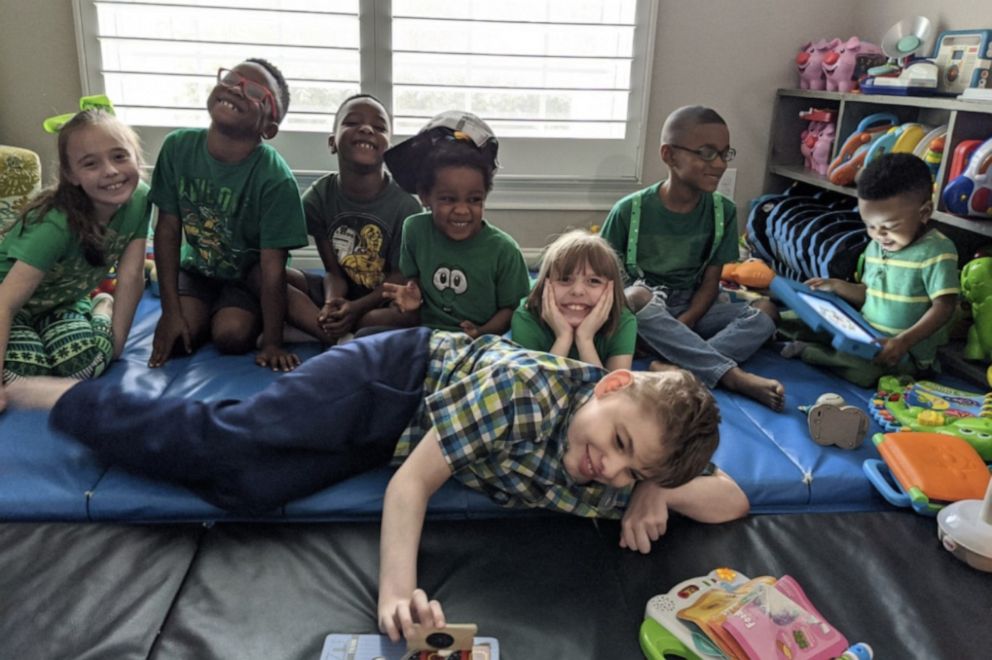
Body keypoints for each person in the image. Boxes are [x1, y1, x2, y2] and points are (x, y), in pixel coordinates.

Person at [6, 327, 748, 641]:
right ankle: (56, 396)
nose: (607, 469)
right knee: (231, 453)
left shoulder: (623, 463)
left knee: (255, 490)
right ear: (610, 384)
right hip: (388, 382)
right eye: (616, 444)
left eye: (631, 468)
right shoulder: (525, 392)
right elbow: (413, 486)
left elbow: (731, 499)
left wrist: (657, 488)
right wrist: (395, 593)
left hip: (396, 434)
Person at [600, 105, 784, 410]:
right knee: (636, 295)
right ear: (669, 156)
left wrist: (686, 323)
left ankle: (679, 371)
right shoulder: (629, 211)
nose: (720, 164)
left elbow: (711, 283)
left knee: (766, 310)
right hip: (642, 312)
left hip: (692, 310)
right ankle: (732, 375)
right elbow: (606, 284)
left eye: (725, 153)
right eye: (707, 153)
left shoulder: (722, 212)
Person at [148, 58, 308, 371]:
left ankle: (279, 308)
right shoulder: (177, 148)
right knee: (181, 340)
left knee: (231, 337)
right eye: (232, 78)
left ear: (269, 128)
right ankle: (205, 310)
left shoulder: (275, 178)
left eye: (253, 92)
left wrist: (273, 341)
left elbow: (272, 269)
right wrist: (170, 311)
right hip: (196, 269)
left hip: (246, 276)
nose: (235, 89)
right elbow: (166, 229)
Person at [0, 107, 150, 413]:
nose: (110, 171)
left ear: (136, 157)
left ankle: (100, 306)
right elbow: (6, 302)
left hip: (63, 303)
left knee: (84, 365)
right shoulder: (56, 225)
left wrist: (117, 347)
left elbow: (133, 273)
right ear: (72, 175)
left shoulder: (140, 200)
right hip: (11, 307)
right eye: (91, 164)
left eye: (120, 156)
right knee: (21, 375)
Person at [783, 153, 959, 387]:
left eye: (889, 227)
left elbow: (944, 307)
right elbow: (869, 293)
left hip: (902, 352)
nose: (878, 235)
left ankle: (810, 352)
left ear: (924, 213)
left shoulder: (937, 251)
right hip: (864, 331)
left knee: (863, 371)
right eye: (870, 226)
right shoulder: (876, 246)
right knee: (800, 318)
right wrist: (837, 286)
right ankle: (775, 325)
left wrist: (903, 341)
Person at [285, 94, 422, 343]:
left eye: (379, 127)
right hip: (343, 292)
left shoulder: (406, 207)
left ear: (388, 148)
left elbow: (398, 279)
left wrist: (357, 308)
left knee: (381, 319)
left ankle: (323, 328)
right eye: (352, 122)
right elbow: (334, 273)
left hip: (384, 298)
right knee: (267, 276)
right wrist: (332, 303)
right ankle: (330, 328)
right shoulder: (319, 196)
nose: (367, 129)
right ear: (332, 142)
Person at [381, 112, 530, 337]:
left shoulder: (505, 251)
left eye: (474, 199)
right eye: (448, 199)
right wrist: (413, 297)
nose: (462, 210)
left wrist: (480, 334)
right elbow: (413, 279)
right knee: (366, 337)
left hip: (480, 342)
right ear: (425, 196)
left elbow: (511, 309)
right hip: (425, 336)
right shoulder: (414, 230)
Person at [511, 230, 636, 370]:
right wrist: (563, 338)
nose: (577, 291)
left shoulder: (623, 320)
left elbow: (616, 392)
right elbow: (533, 389)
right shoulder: (526, 317)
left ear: (612, 288)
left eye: (593, 281)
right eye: (565, 279)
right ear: (546, 284)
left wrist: (585, 340)